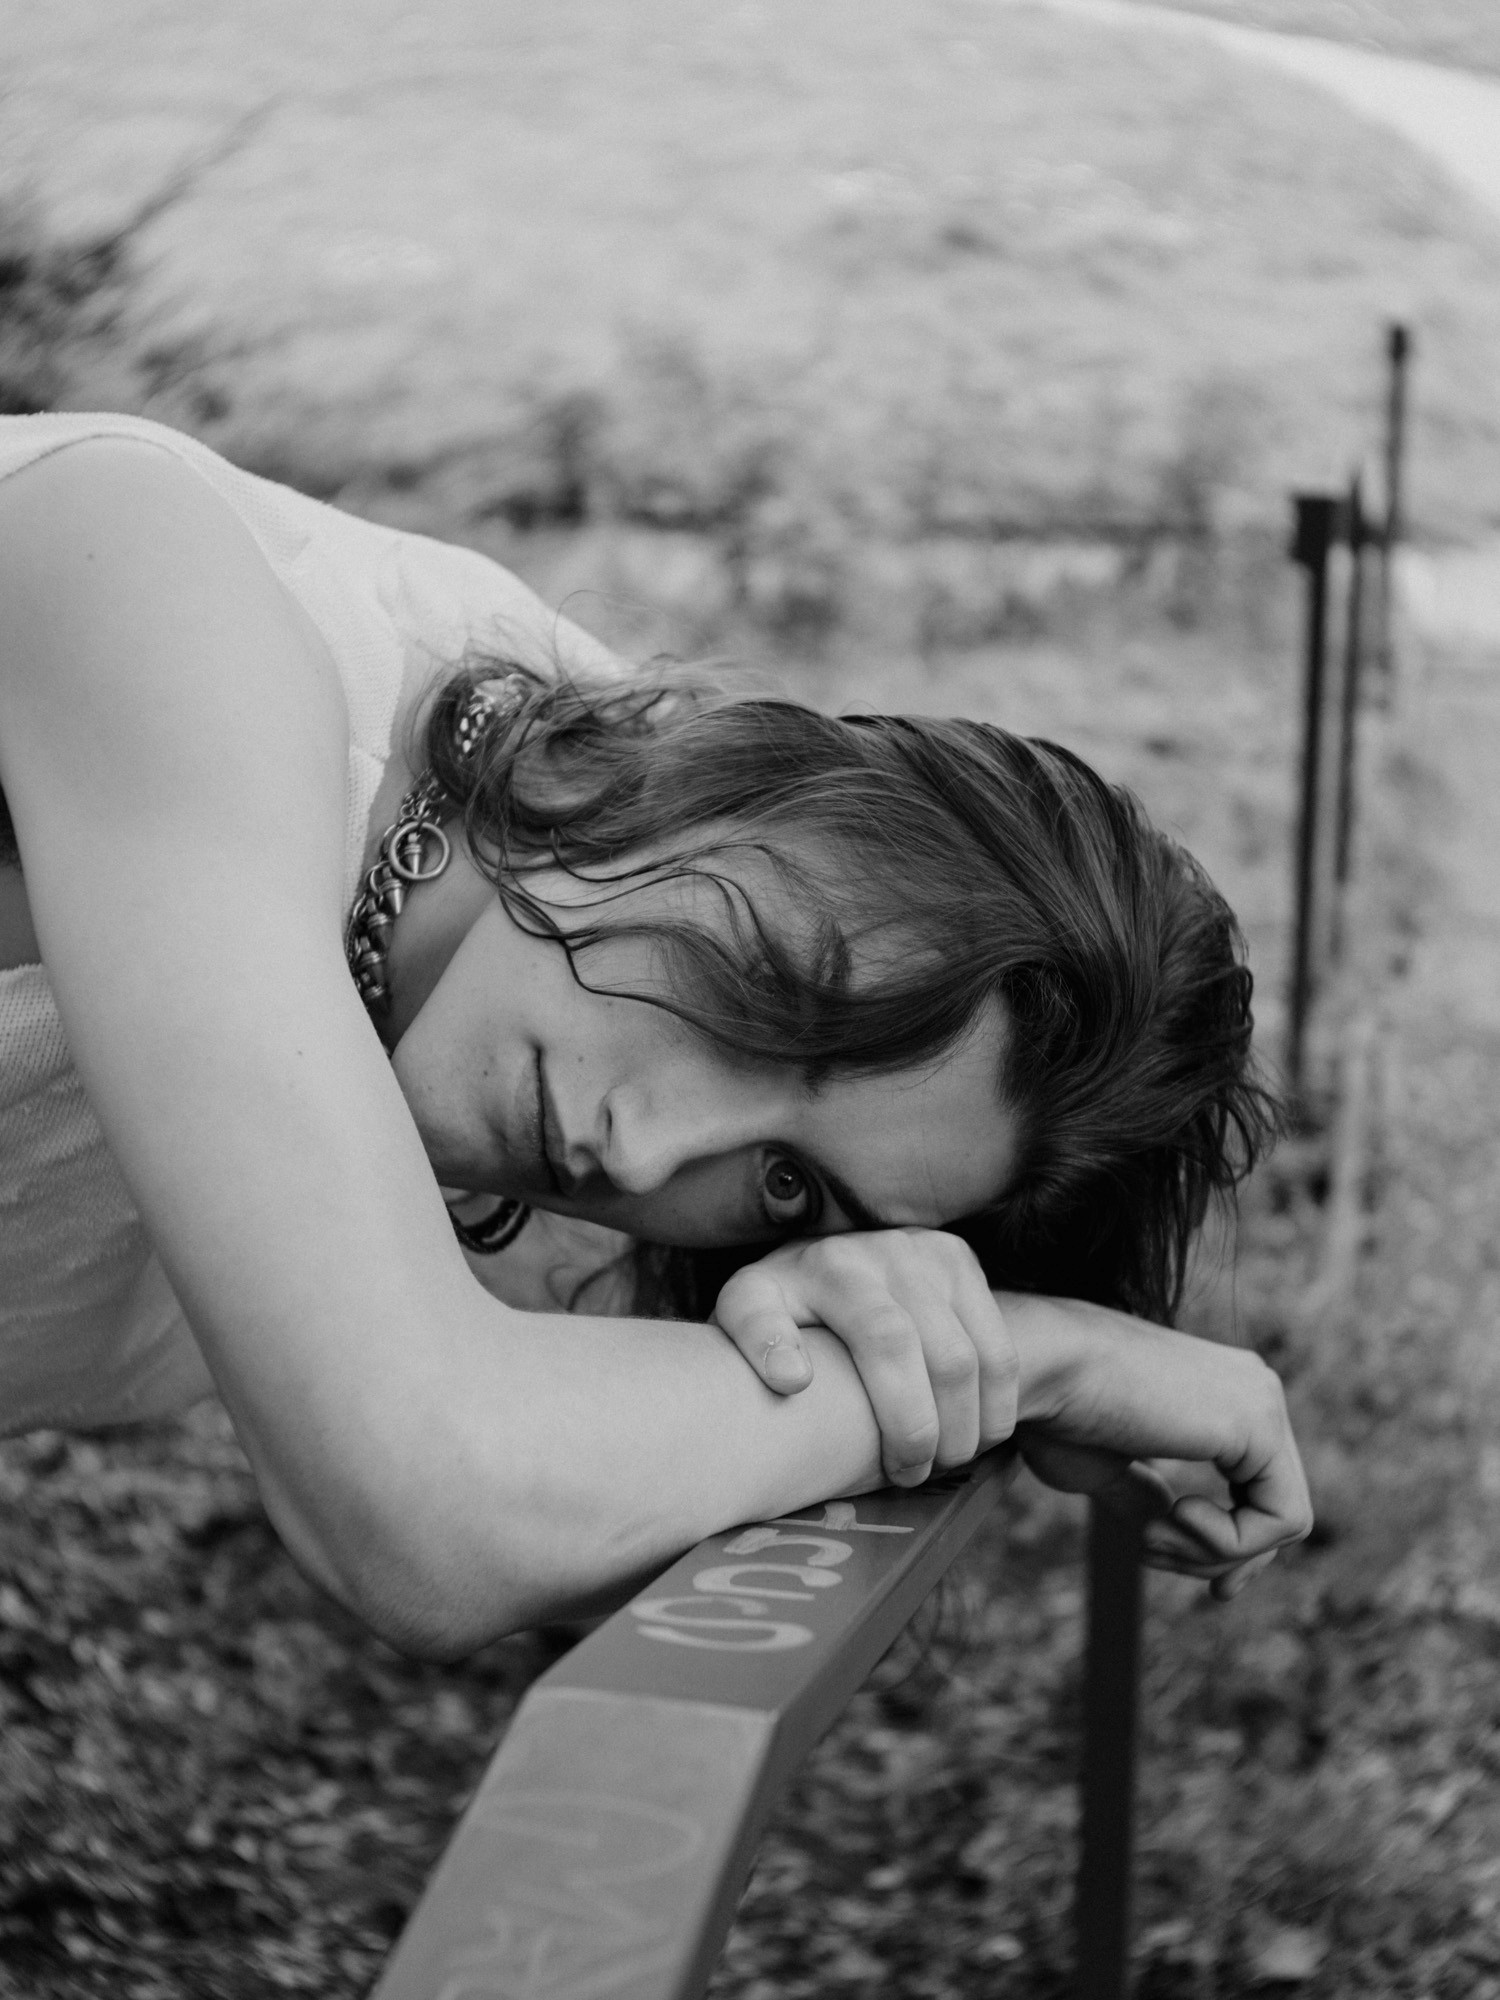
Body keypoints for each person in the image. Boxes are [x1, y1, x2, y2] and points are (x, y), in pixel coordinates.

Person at [0, 411, 1311, 1660]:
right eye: (764, 998)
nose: (641, 1155)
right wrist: (1040, 1358)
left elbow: (566, 1511)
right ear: (730, 778)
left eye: (789, 1187)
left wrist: (914, 1336)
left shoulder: (558, 904)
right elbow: (430, 1511)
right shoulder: (153, 586)